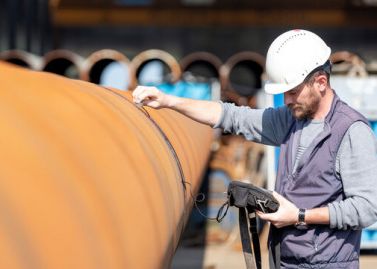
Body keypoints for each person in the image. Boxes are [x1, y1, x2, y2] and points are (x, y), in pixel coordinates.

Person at [132, 29, 377, 268]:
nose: (287, 100)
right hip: (283, 259)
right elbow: (232, 116)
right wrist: (168, 101)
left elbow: (367, 208)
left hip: (326, 264)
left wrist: (300, 216)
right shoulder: (291, 120)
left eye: (292, 92)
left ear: (321, 82)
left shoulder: (351, 131)